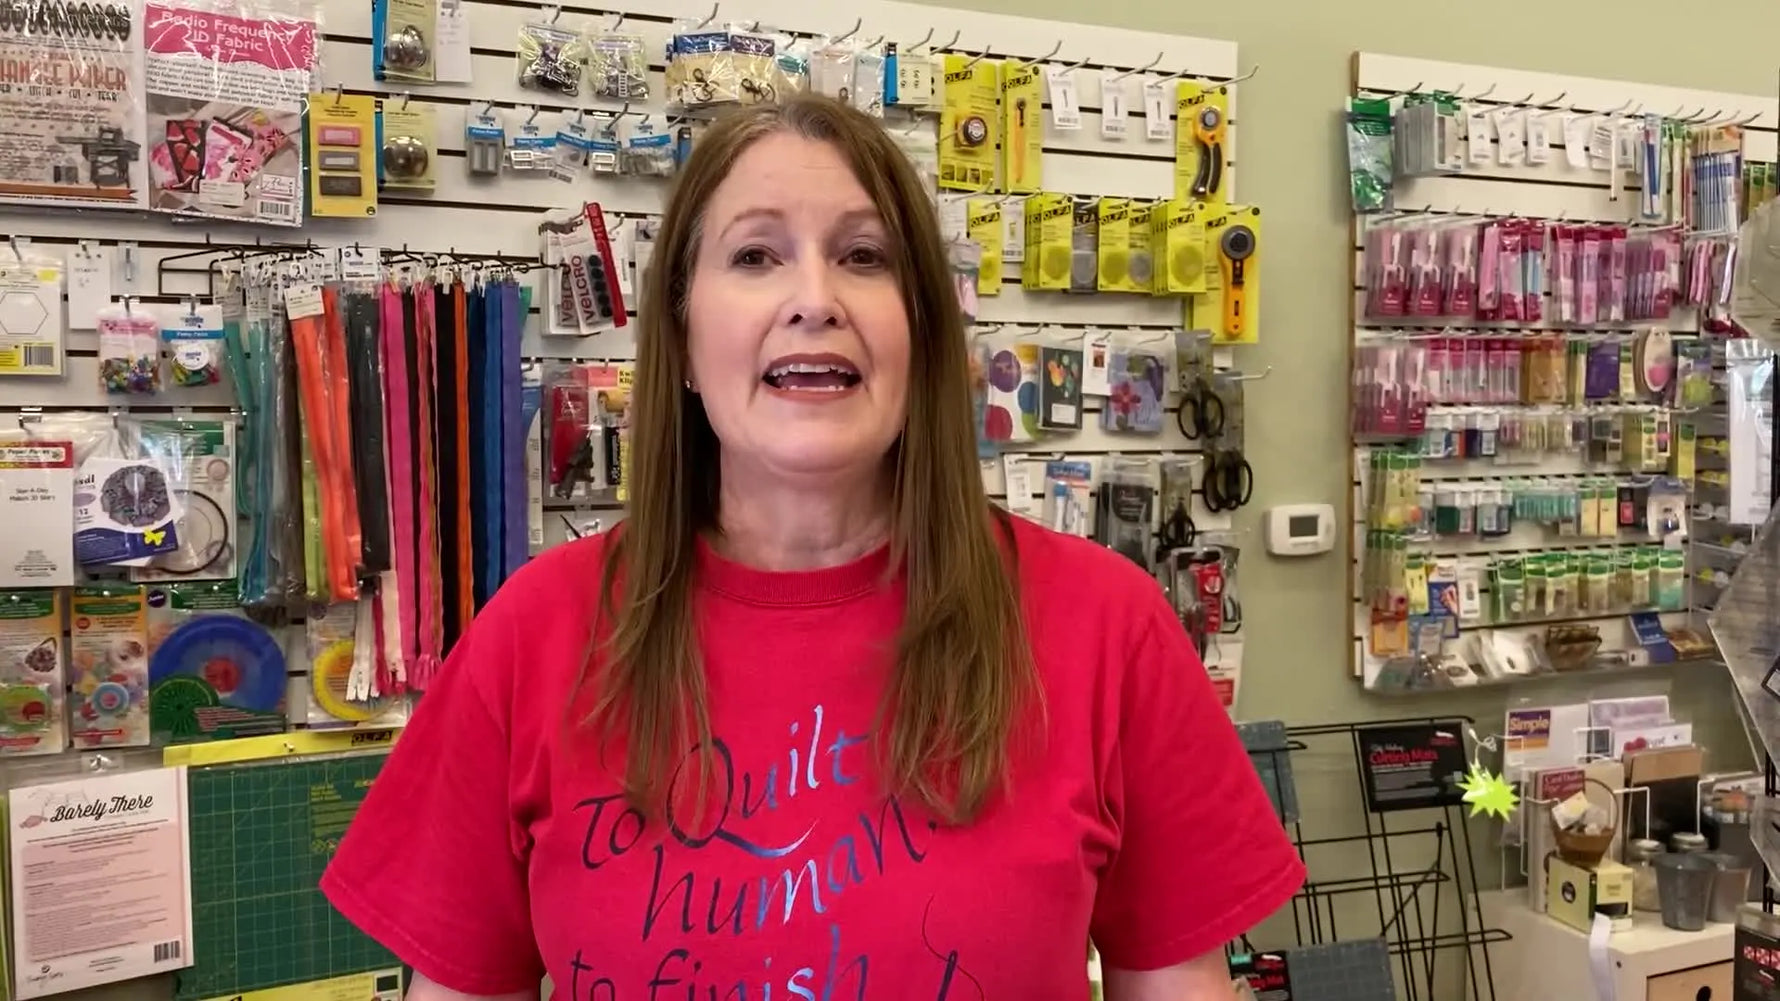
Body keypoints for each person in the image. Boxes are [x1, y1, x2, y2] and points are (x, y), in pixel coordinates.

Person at [321, 94, 1304, 1000]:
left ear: (922, 329)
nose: (815, 297)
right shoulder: (531, 637)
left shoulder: (1105, 627)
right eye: (755, 256)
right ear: (683, 334)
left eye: (865, 256)